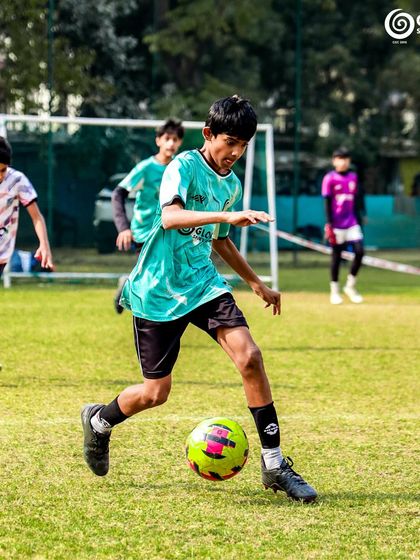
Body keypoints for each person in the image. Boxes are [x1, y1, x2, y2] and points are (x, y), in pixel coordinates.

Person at [81, 95, 317, 503]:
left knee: (250, 357)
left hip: (203, 285)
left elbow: (221, 242)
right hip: (158, 290)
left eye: (244, 145)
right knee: (156, 392)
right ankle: (100, 420)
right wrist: (228, 216)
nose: (236, 153)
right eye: (230, 142)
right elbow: (171, 218)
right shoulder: (182, 167)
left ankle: (275, 464)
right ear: (208, 134)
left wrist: (256, 283)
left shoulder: (232, 183)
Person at [111, 119, 184, 313]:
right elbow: (118, 193)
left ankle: (129, 284)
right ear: (158, 140)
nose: (171, 143)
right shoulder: (146, 168)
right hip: (144, 233)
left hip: (169, 232)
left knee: (164, 278)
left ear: (180, 143)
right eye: (167, 138)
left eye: (175, 139)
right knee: (156, 280)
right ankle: (133, 290)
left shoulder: (178, 168)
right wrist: (123, 228)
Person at [0, 136, 54, 279]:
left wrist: (44, 244)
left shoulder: (17, 180)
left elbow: (36, 217)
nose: (0, 176)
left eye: (3, 170)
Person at [322, 147, 365, 304]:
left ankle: (350, 286)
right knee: (337, 257)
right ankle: (334, 291)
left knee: (360, 252)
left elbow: (357, 200)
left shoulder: (353, 177)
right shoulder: (329, 178)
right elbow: (326, 202)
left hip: (352, 222)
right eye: (340, 158)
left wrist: (361, 217)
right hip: (337, 225)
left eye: (346, 158)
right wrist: (329, 224)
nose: (343, 161)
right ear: (334, 161)